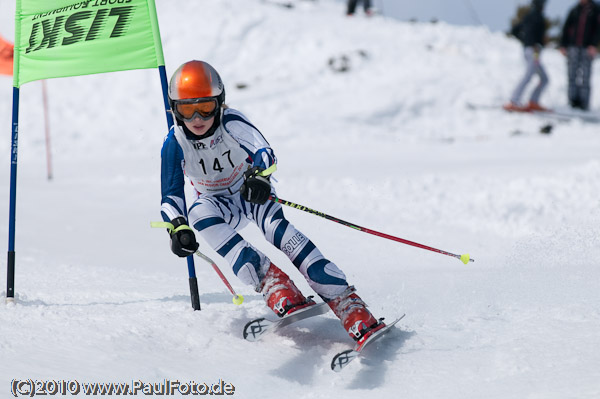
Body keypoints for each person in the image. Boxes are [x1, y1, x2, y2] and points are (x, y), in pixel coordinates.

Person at [160, 60, 385, 342]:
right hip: (216, 203)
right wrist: (178, 228)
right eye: (186, 108)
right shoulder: (175, 142)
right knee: (197, 213)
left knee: (277, 232)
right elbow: (170, 195)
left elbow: (263, 150)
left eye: (204, 107)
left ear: (219, 102)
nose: (196, 118)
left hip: (249, 192)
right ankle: (273, 282)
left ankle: (347, 303)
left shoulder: (231, 122)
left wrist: (259, 177)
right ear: (174, 109)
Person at [504, 0, 549, 112]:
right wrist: (532, 43)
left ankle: (533, 101)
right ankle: (514, 100)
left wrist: (525, 41)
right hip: (534, 52)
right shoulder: (537, 17)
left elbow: (514, 30)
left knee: (544, 78)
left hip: (530, 50)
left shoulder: (528, 16)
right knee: (529, 75)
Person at [559, 0, 600, 111]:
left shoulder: (595, 10)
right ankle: (572, 101)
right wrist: (563, 44)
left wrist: (593, 44)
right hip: (573, 47)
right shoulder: (574, 10)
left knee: (585, 76)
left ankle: (584, 103)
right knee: (572, 75)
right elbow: (566, 27)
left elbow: (598, 29)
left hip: (587, 48)